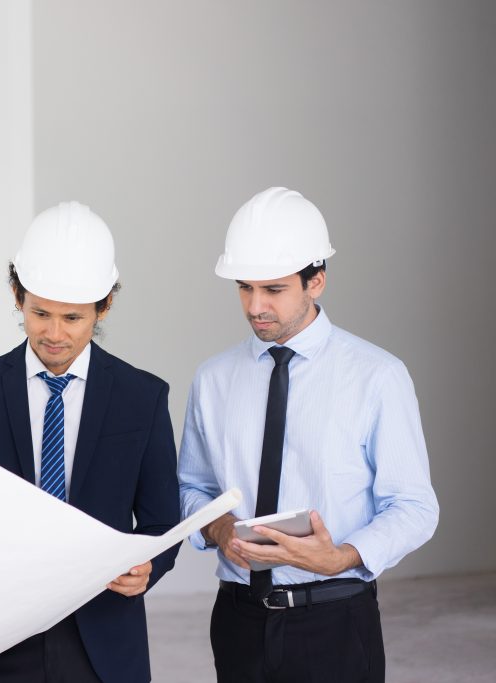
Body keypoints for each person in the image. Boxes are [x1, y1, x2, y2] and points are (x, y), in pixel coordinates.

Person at [178, 187, 440, 683]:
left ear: (316, 281)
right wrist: (218, 529)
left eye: (273, 290)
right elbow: (191, 489)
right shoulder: (213, 379)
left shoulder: (377, 376)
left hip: (335, 620)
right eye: (244, 287)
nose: (255, 306)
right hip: (238, 619)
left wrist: (342, 556)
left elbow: (414, 505)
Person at [0, 201, 181, 683]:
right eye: (40, 313)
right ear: (16, 295)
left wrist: (149, 564)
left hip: (103, 641)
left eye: (72, 318)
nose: (54, 334)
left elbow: (161, 520)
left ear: (104, 306)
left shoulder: (143, 398)